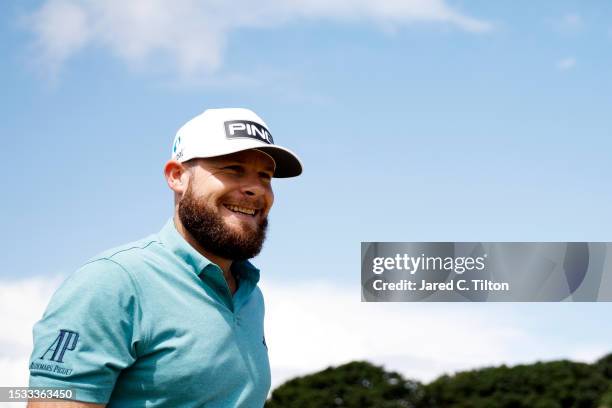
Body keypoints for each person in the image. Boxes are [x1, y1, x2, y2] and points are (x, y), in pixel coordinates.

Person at [27, 108, 303, 407]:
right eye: (233, 169)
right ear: (176, 176)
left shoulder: (250, 295)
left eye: (265, 176)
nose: (255, 188)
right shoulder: (112, 283)